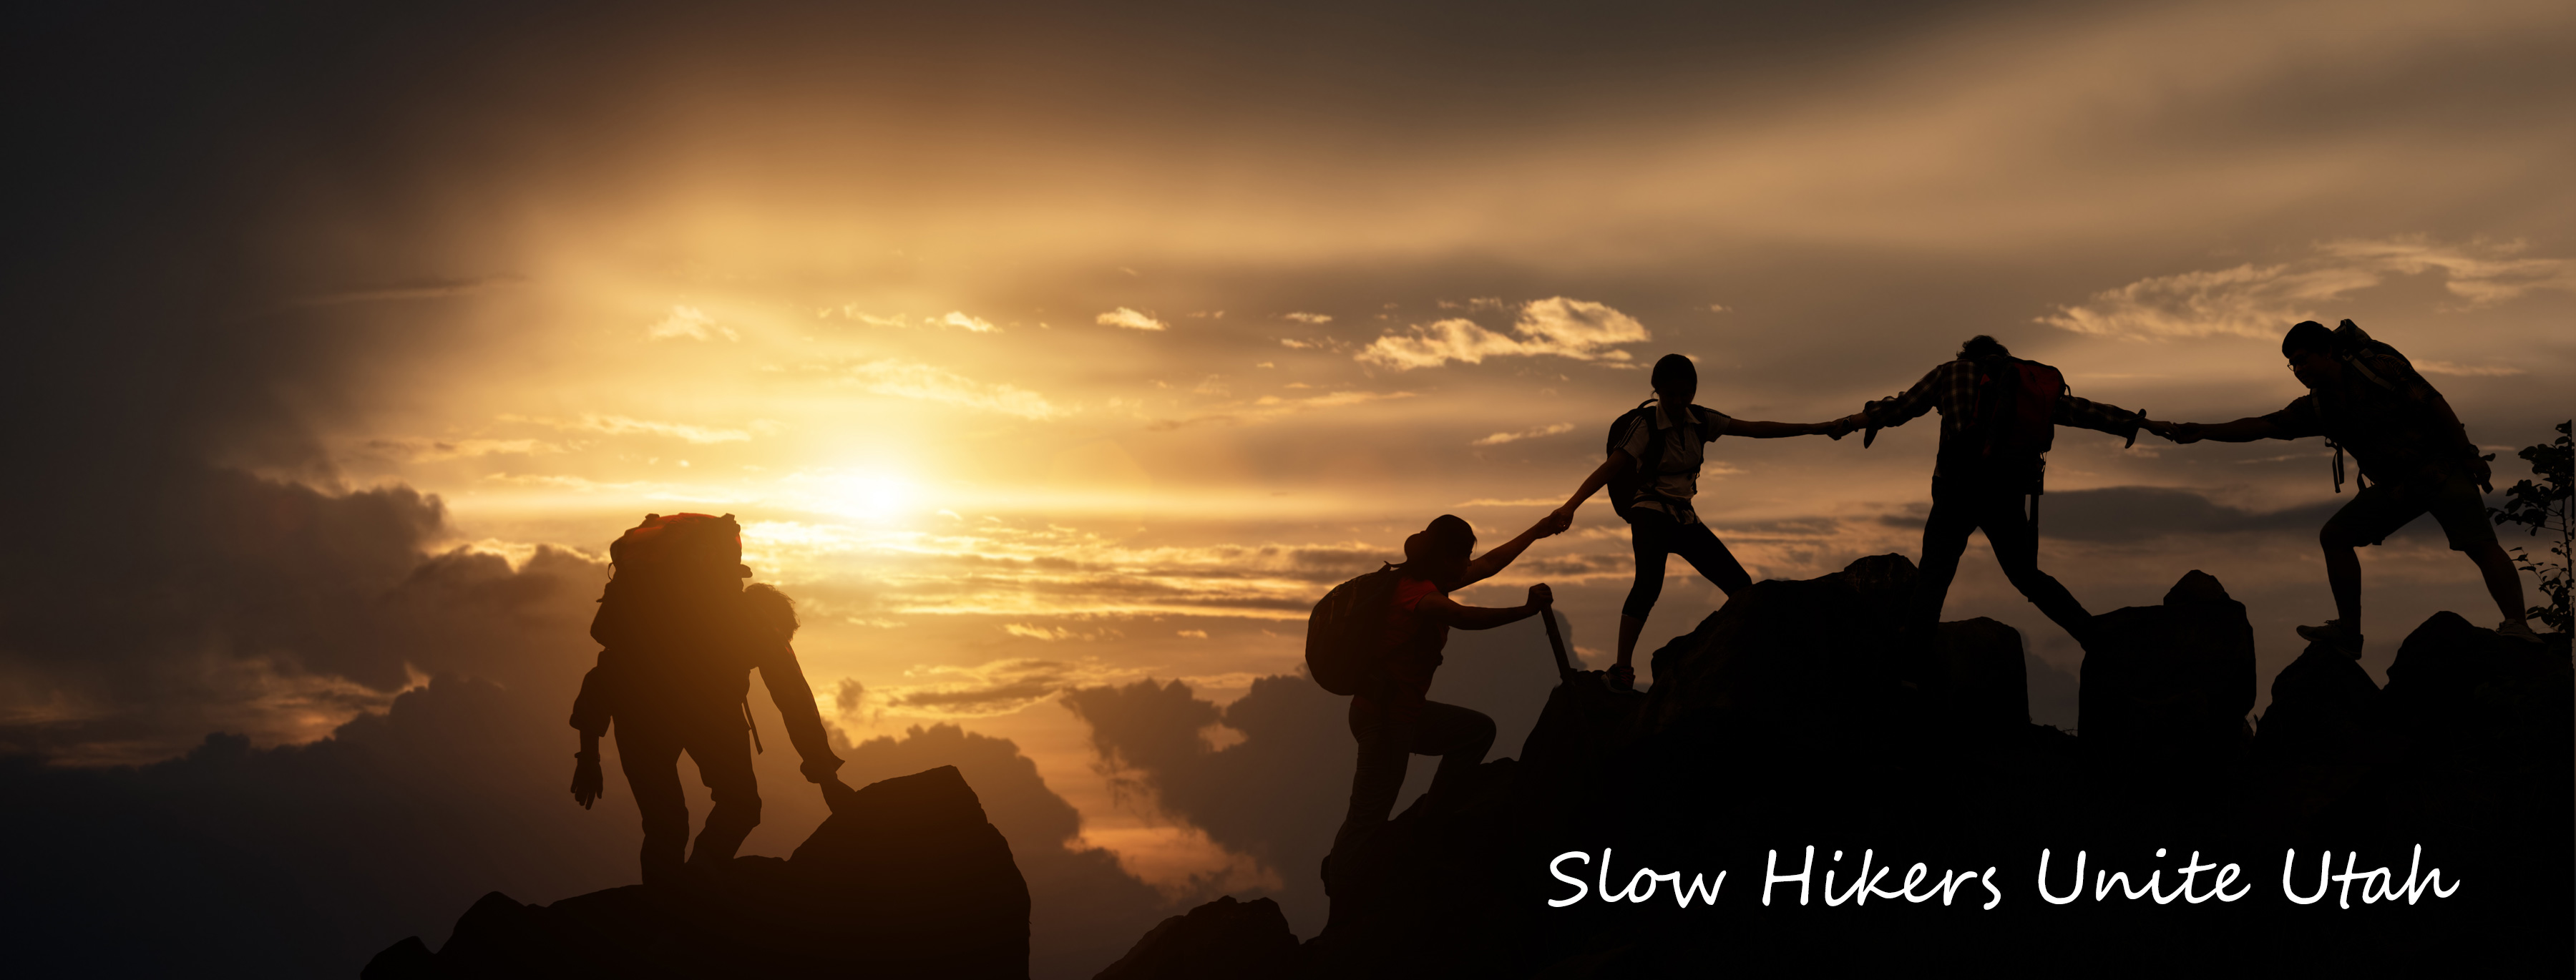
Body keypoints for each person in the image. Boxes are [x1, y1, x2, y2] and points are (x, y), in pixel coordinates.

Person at [2148, 320, 2539, 654]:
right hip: (2395, 487)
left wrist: (2468, 456)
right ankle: (2349, 635)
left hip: (2439, 468)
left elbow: (2435, 403)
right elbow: (2265, 426)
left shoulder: (2380, 369)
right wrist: (2202, 432)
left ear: (2329, 352)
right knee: (2335, 536)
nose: (2299, 368)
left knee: (2480, 545)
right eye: (2293, 364)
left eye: (2304, 358)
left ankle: (2517, 625)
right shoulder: (2319, 406)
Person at [567, 512, 849, 888]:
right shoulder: (755, 624)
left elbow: (604, 676)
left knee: (664, 826)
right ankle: (699, 881)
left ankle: (661, 909)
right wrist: (826, 776)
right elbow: (793, 696)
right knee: (741, 806)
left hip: (639, 717)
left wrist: (588, 755)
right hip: (711, 716)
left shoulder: (655, 620)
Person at [1547, 353, 1849, 690]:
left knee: (1739, 583)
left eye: (1684, 394)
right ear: (1656, 391)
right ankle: (1621, 671)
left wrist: (1815, 428)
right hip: (1650, 513)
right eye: (1670, 395)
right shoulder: (1645, 426)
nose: (1677, 402)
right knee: (1648, 587)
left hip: (1685, 517)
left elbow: (1754, 429)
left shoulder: (1701, 420)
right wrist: (1570, 506)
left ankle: (1748, 655)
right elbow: (1610, 469)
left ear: (1693, 391)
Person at [1833, 335, 2147, 652]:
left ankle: (1912, 671)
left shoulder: (1950, 372)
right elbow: (2078, 410)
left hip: (1955, 490)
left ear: (1966, 355)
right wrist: (2135, 423)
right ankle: (2091, 635)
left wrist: (1855, 421)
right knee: (2026, 576)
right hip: (2005, 492)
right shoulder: (2024, 385)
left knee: (1934, 578)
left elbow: (1903, 407)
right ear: (2003, 357)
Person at [1330, 514, 1558, 869]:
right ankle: (1342, 896)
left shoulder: (1431, 580)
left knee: (1477, 732)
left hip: (1402, 714)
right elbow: (1464, 618)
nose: (1468, 564)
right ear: (1443, 558)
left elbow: (1491, 563)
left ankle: (1426, 823)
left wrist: (1538, 530)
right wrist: (1526, 611)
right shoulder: (1419, 594)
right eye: (1462, 557)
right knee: (1366, 821)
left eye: (1468, 555)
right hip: (1384, 721)